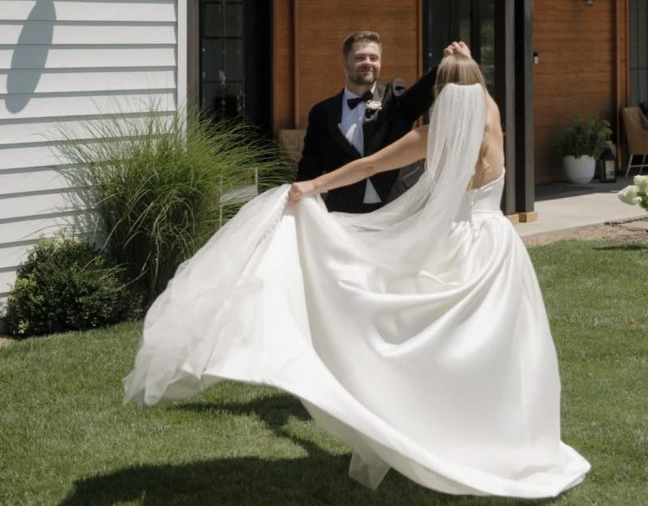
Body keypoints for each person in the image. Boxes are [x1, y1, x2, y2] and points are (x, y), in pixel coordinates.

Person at [124, 53, 590, 499]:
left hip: (459, 247)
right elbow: (477, 95)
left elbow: (368, 165)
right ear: (477, 87)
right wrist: (466, 64)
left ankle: (427, 426)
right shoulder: (493, 122)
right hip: (500, 247)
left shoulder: (434, 135)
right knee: (501, 351)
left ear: (441, 94)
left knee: (427, 342)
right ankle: (509, 443)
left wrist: (313, 185)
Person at [296, 31, 467, 213]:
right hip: (346, 212)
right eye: (360, 57)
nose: (368, 62)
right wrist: (297, 198)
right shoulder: (322, 113)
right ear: (344, 63)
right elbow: (309, 166)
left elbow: (420, 95)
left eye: (373, 58)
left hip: (401, 205)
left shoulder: (392, 98)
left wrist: (445, 65)